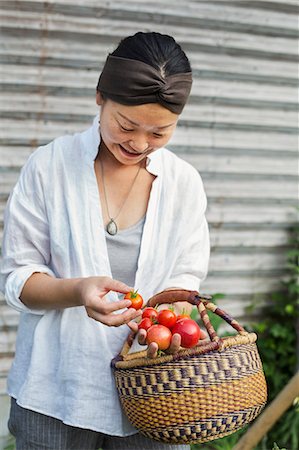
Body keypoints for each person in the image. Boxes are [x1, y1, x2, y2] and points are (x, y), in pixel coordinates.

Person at [0, 31, 210, 450]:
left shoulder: (183, 183)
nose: (138, 143)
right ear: (100, 96)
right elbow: (18, 280)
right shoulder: (49, 167)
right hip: (56, 391)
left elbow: (186, 279)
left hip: (158, 393)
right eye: (126, 125)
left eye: (159, 133)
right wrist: (80, 290)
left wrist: (166, 320)